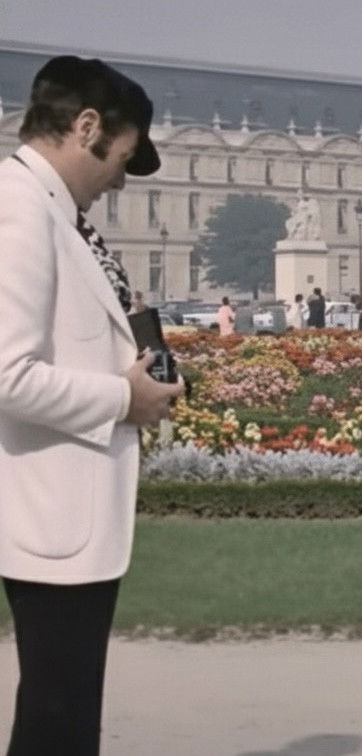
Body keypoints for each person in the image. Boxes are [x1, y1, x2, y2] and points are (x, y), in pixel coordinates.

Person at [0, 55, 184, 754]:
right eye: (123, 158)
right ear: (86, 127)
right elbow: (7, 373)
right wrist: (123, 396)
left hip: (64, 514)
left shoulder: (52, 211)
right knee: (58, 722)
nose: (120, 181)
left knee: (63, 717)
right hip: (51, 515)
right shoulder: (22, 210)